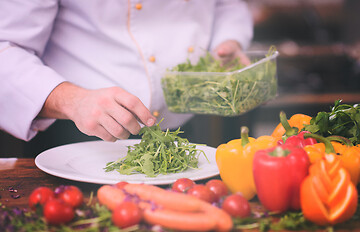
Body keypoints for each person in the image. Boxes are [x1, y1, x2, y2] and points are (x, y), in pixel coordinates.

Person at [0, 1, 253, 143]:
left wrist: (228, 40)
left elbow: (227, 5)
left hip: (185, 129)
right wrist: (71, 99)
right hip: (79, 138)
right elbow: (5, 47)